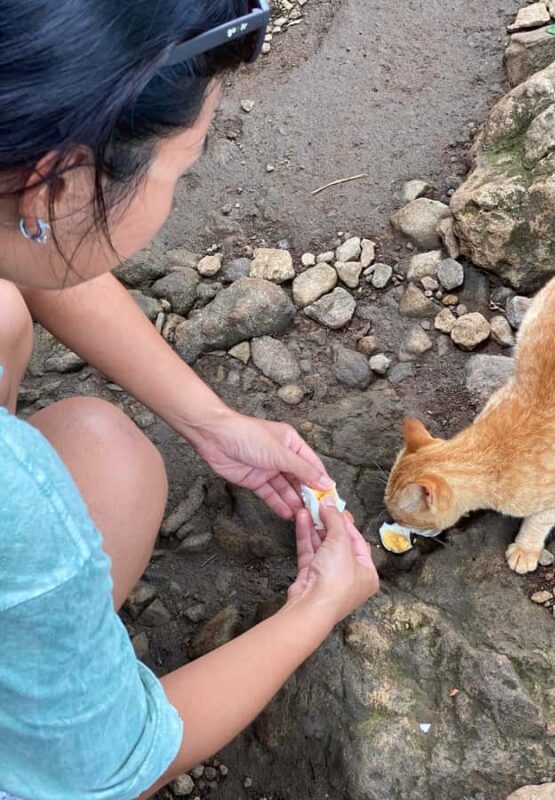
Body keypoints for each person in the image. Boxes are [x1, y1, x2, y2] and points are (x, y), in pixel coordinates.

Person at [0, 2, 380, 798]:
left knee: (92, 432)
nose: (180, 185)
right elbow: (110, 772)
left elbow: (29, 250)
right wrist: (317, 609)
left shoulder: (23, 196)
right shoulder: (19, 497)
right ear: (54, 185)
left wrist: (213, 422)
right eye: (185, 165)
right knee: (107, 471)